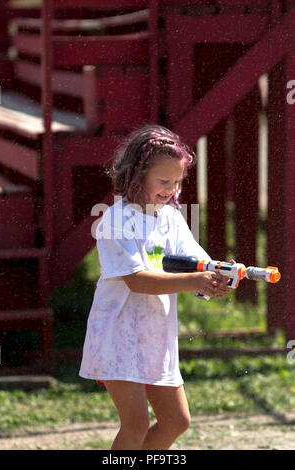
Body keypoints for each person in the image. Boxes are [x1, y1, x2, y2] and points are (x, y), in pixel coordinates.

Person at [79, 124, 232, 450]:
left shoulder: (172, 218)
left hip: (154, 339)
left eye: (177, 182)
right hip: (116, 335)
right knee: (135, 424)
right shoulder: (116, 220)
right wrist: (195, 280)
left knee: (177, 421)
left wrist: (220, 274)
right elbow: (136, 280)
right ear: (137, 174)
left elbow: (197, 263)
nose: (171, 189)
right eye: (163, 181)